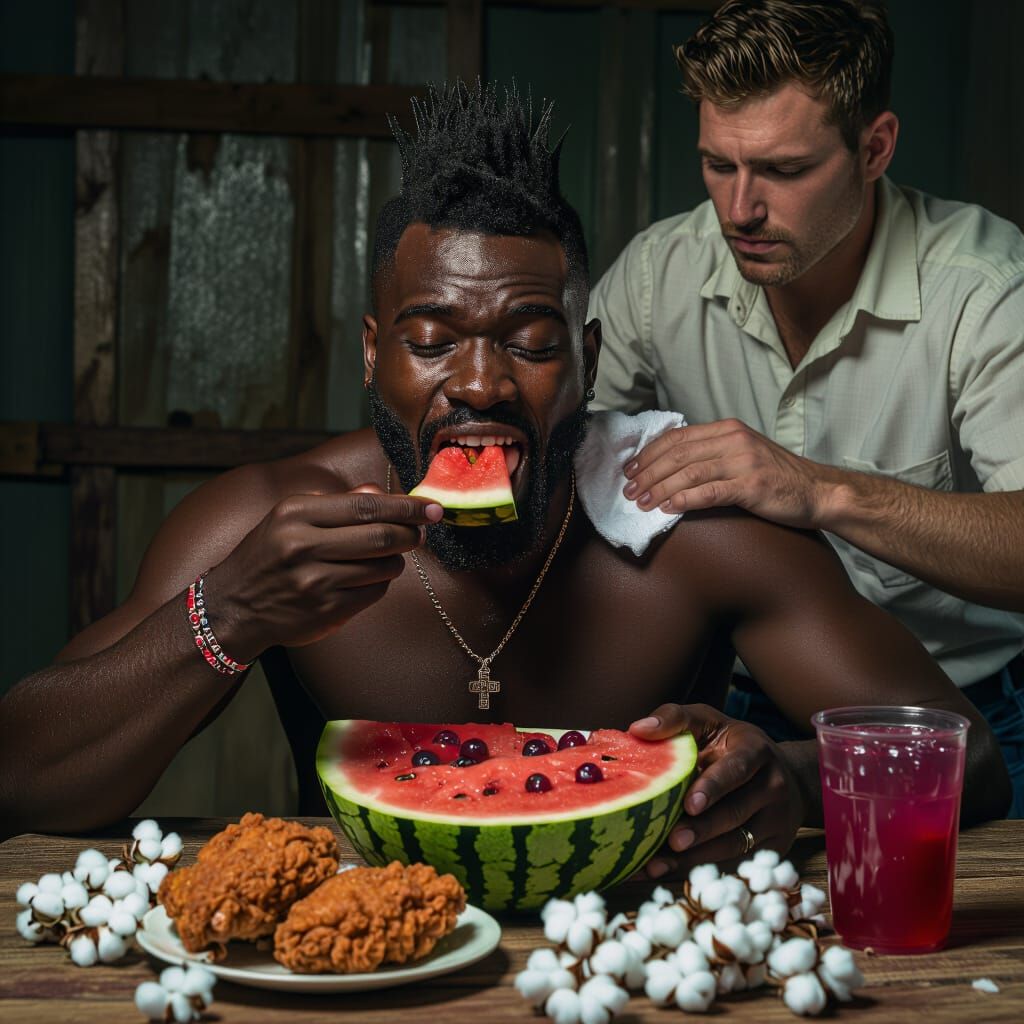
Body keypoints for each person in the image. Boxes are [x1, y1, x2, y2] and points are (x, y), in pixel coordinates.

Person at [0, 83, 1009, 875]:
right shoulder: (265, 523)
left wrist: (788, 775)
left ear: (587, 357)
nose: (480, 384)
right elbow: (22, 780)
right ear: (373, 355)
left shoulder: (696, 534)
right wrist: (227, 613)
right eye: (431, 341)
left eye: (530, 342)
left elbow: (973, 760)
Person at [588, 0, 1024, 814]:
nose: (739, 209)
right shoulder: (658, 275)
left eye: (784, 171)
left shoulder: (987, 290)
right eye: (718, 164)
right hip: (735, 713)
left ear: (875, 148)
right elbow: (565, 470)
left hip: (977, 721)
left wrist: (819, 490)